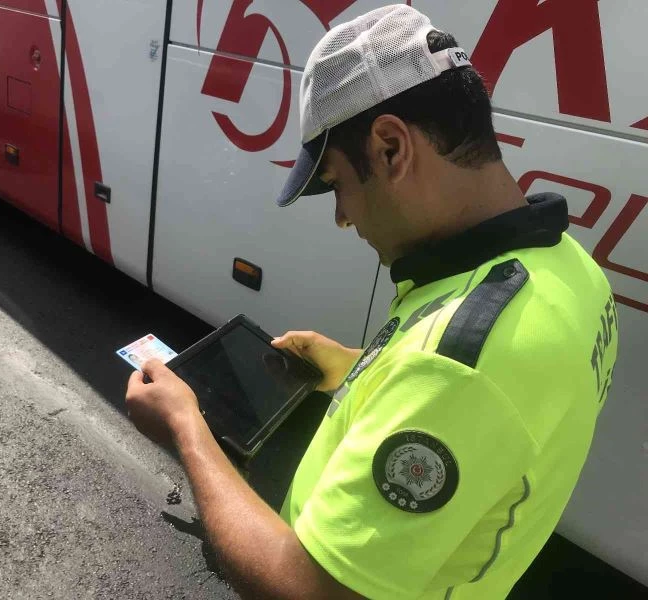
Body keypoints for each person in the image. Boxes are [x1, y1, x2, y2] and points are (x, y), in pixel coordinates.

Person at [125, 5, 619, 599]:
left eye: (336, 184)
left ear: (390, 148)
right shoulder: (570, 267)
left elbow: (306, 589)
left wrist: (186, 426)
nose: (341, 217)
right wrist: (361, 368)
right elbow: (500, 402)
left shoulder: (453, 367)